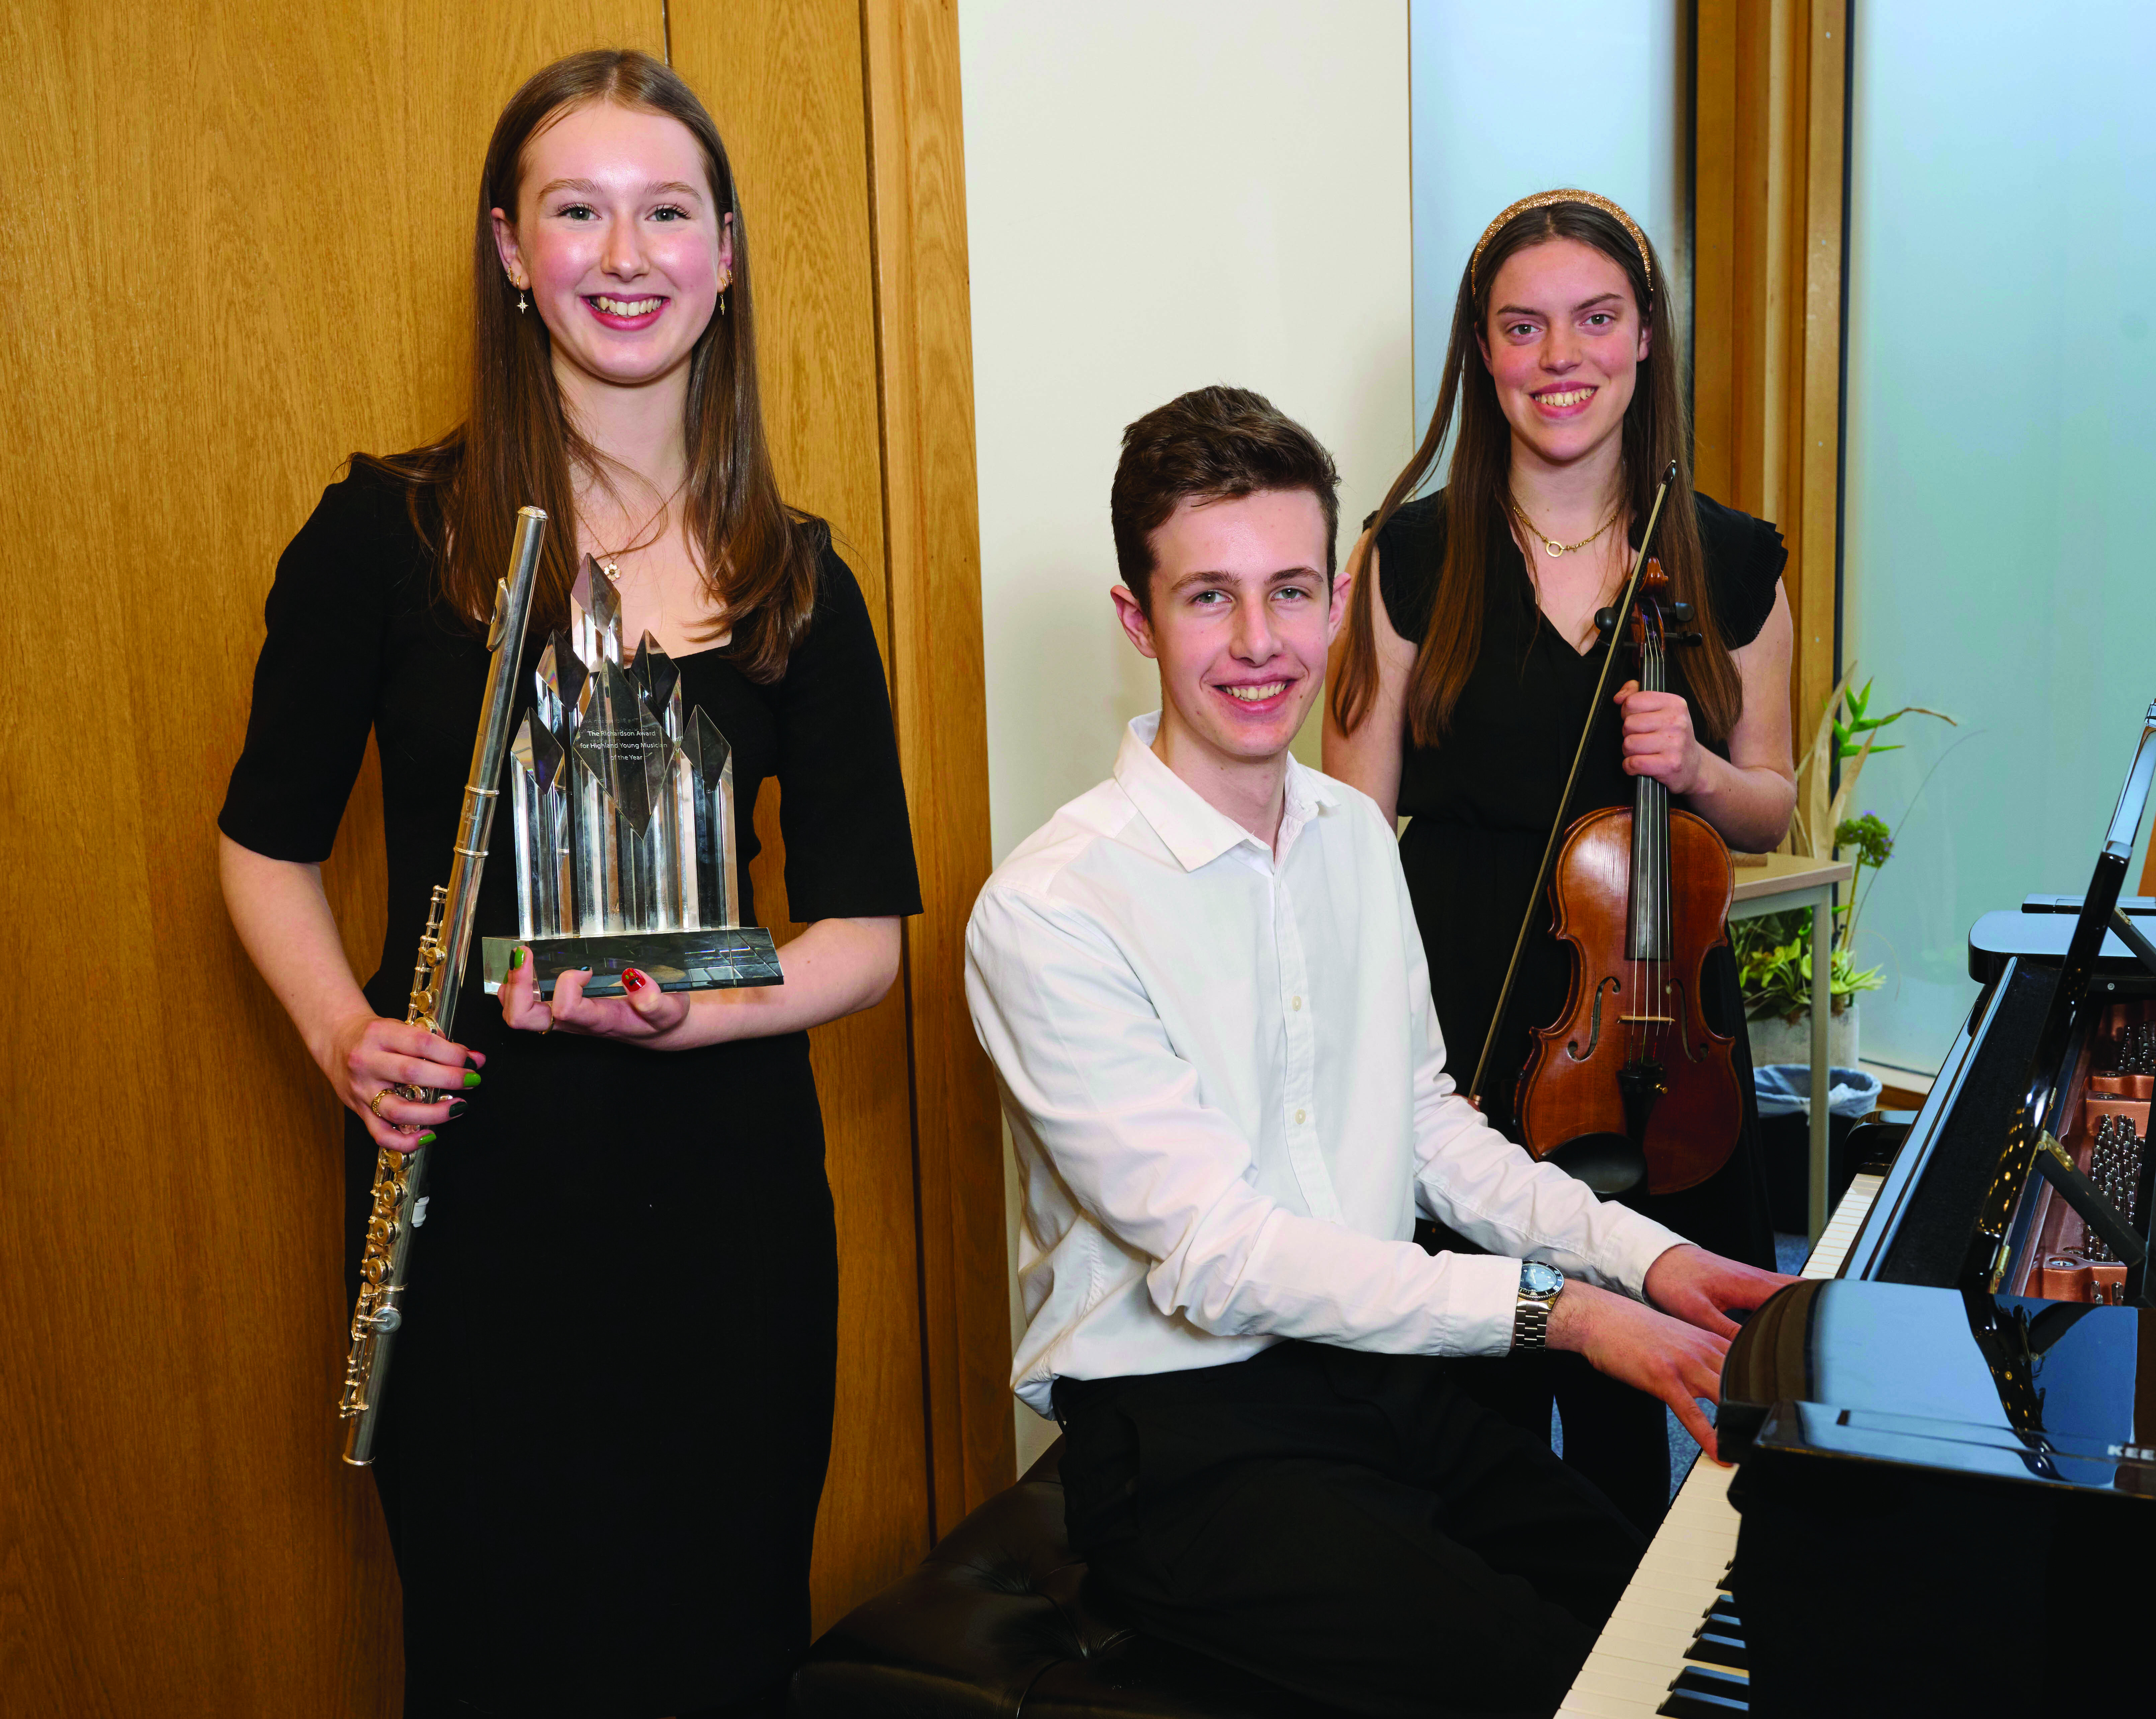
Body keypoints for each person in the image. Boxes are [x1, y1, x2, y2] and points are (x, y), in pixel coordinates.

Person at [217, 51, 919, 1719]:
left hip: (731, 1213)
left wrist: (701, 1012)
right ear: (510, 250)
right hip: (478, 1204)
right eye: (577, 211)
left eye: (667, 212)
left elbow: (866, 936)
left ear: (724, 255)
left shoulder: (799, 575)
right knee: (496, 1657)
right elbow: (264, 846)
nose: (624, 254)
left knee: (726, 1649)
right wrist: (342, 1036)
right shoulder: (386, 535)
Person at [963, 385, 1789, 1719]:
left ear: (1337, 604)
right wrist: (1569, 1314)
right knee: (1553, 1685)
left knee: (1654, 1611)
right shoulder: (1051, 909)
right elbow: (1222, 1260)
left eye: (1291, 592)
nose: (1258, 643)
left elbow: (1426, 1127)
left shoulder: (1352, 835)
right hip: (1187, 1440)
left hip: (1380, 1383)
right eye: (1208, 597)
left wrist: (1648, 1258)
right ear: (1137, 618)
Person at [1322, 188, 1797, 1535]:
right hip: (1460, 1010)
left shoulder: (1730, 561)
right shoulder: (1410, 556)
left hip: (1656, 1029)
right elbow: (1345, 831)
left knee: (1661, 1397)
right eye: (1522, 327)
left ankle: (1638, 1621)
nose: (1559, 357)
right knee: (1468, 1392)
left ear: (1645, 336)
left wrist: (1697, 771)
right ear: (1482, 351)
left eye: (1595, 319)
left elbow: (1769, 807)